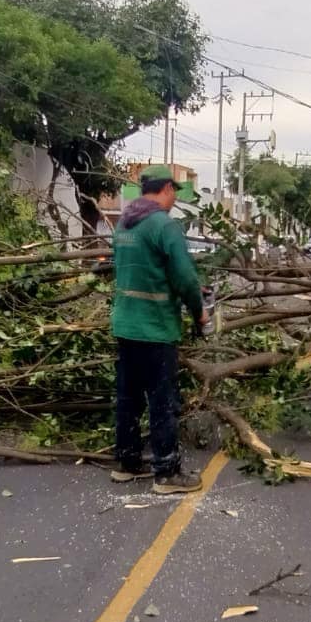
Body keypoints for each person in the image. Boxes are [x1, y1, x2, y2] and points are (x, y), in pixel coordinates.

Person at [110, 165, 207, 495]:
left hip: (125, 325)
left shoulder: (124, 223)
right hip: (155, 328)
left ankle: (127, 462)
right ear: (166, 188)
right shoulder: (164, 226)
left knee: (128, 398)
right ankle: (166, 472)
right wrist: (200, 313)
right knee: (162, 401)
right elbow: (186, 279)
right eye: (175, 192)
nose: (175, 198)